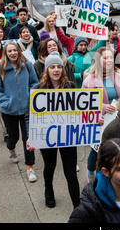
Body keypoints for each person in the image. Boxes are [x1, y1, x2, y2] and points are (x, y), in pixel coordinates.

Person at [26, 52, 80, 208]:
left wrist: (93, 119)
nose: (56, 70)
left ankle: (77, 205)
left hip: (67, 135)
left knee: (70, 172)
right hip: (46, 136)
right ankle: (48, 191)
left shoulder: (70, 86)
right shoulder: (37, 89)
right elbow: (29, 115)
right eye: (52, 67)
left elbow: (79, 110)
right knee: (49, 167)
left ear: (63, 69)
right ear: (46, 70)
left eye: (59, 67)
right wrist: (31, 136)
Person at [0, 42, 39, 183]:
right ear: (6, 53)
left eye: (15, 50)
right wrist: (7, 103)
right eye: (10, 51)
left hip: (26, 110)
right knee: (14, 137)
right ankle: (11, 148)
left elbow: (34, 84)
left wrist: (30, 97)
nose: (13, 53)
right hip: (9, 111)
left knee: (29, 139)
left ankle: (30, 167)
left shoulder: (28, 65)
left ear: (18, 51)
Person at [82, 47, 120, 180]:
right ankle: (90, 171)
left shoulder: (119, 75)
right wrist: (103, 107)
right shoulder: (89, 80)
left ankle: (112, 174)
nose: (109, 60)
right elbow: (84, 103)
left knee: (117, 148)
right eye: (105, 58)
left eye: (111, 57)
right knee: (97, 151)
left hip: (118, 120)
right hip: (99, 121)